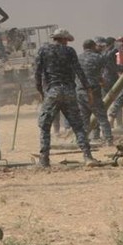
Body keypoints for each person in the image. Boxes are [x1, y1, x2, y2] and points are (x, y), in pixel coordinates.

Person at [34, 28, 97, 168]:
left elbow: (37, 73)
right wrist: (88, 89)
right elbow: (79, 71)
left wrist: (41, 92)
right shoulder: (70, 52)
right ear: (64, 39)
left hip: (53, 91)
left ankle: (44, 160)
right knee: (78, 126)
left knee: (45, 125)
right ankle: (88, 156)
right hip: (69, 91)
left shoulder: (43, 51)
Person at [76, 38, 119, 146]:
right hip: (93, 91)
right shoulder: (97, 57)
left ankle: (84, 141)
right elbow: (112, 67)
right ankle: (109, 140)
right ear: (93, 46)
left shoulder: (78, 58)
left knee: (84, 118)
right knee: (101, 116)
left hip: (80, 91)